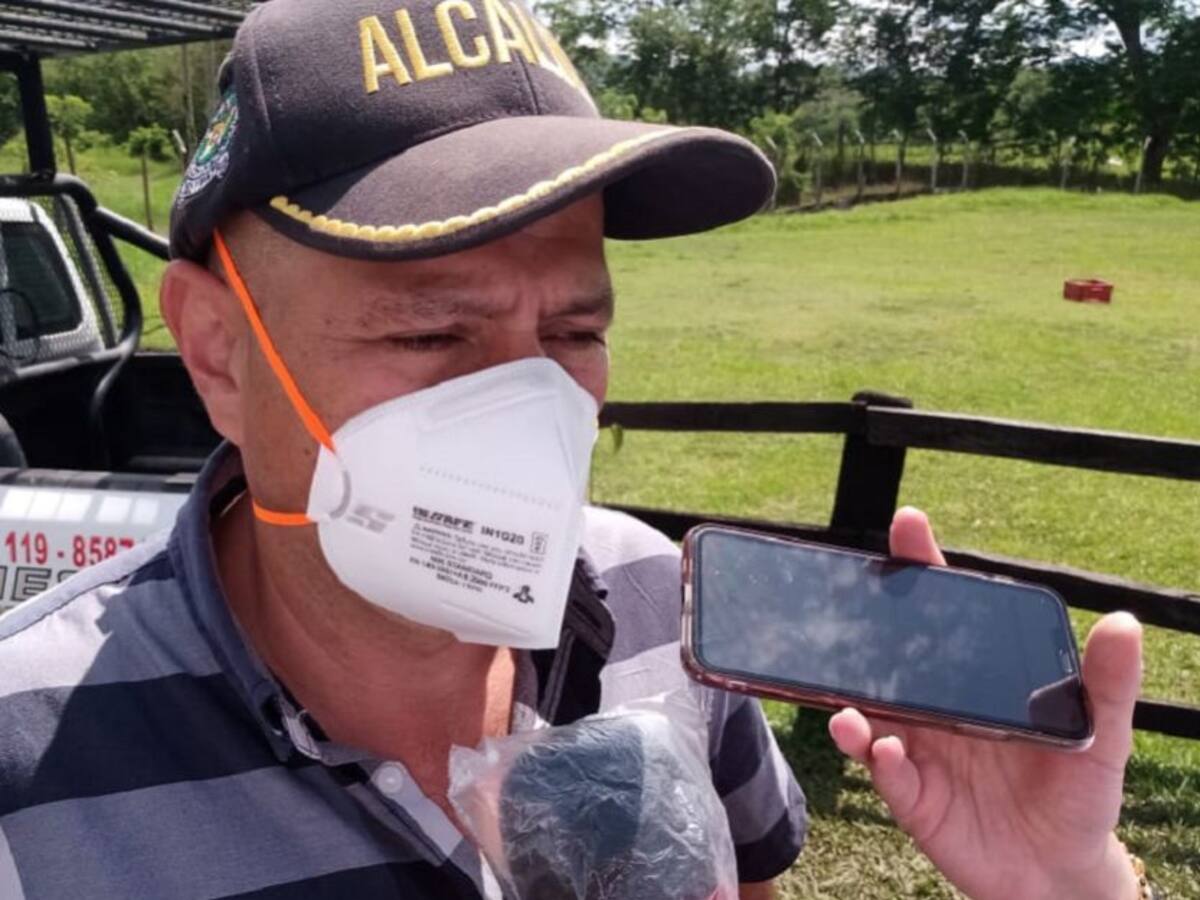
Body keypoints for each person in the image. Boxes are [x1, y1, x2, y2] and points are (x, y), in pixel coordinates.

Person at [0, 1, 1148, 898]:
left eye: (574, 329)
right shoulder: (28, 759)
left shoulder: (658, 604)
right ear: (214, 352)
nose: (529, 405)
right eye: (432, 330)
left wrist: (1068, 887)